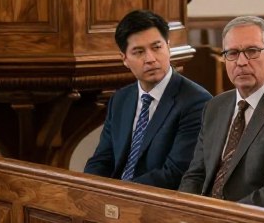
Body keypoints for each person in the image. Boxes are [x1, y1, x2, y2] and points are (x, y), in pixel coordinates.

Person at [179, 16, 264, 207]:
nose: (241, 62)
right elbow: (196, 174)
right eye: (232, 53)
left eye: (252, 51)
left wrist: (219, 218)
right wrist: (186, 211)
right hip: (204, 219)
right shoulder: (215, 106)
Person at [84, 10, 211, 188]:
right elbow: (102, 159)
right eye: (138, 52)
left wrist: (120, 193)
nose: (150, 59)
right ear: (125, 59)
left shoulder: (196, 102)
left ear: (168, 46)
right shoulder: (120, 99)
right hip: (115, 199)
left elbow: (175, 173)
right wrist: (89, 189)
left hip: (158, 203)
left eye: (156, 47)